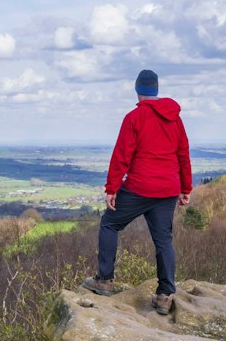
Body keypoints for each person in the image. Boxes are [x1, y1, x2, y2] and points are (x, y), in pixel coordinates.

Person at [82, 69, 192, 315]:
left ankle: (105, 281)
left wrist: (112, 188)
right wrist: (185, 188)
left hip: (139, 187)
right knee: (163, 240)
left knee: (110, 224)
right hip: (167, 190)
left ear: (138, 89)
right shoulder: (175, 119)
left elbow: (121, 155)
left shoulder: (134, 117)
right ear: (156, 89)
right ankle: (164, 296)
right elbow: (183, 154)